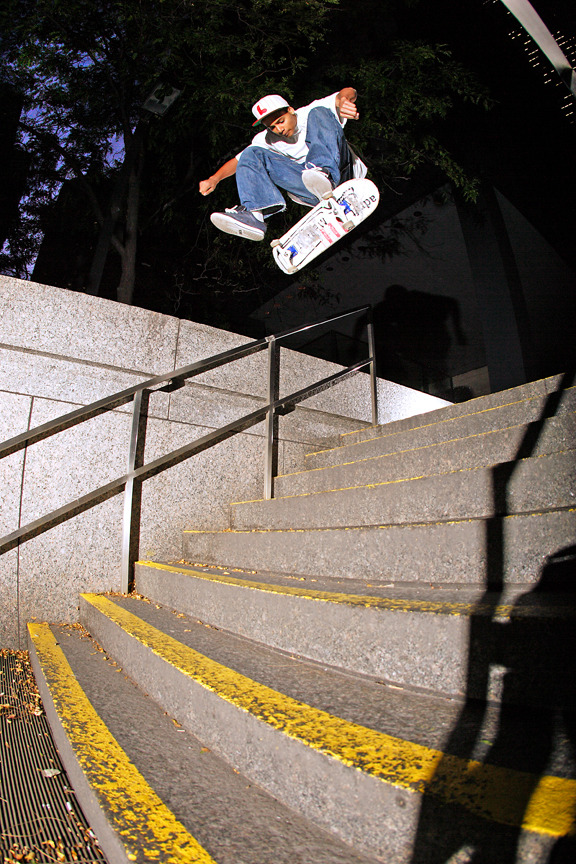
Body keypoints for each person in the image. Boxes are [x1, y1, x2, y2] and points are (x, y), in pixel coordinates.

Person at [199, 87, 367, 241]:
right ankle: (254, 215)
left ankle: (324, 172)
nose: (279, 130)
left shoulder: (310, 113)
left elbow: (347, 92)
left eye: (281, 121)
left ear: (290, 110)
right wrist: (214, 179)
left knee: (320, 112)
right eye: (272, 127)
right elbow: (238, 161)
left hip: (344, 172)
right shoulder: (265, 140)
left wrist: (345, 100)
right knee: (251, 153)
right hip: (309, 189)